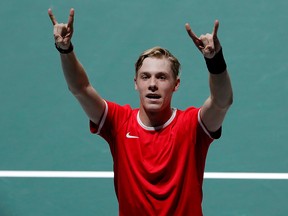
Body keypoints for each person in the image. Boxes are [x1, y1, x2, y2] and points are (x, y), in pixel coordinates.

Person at [48, 8, 233, 216]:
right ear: (136, 83)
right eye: (145, 77)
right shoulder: (118, 122)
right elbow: (80, 88)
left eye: (162, 77)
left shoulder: (191, 126)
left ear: (176, 84)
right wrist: (65, 50)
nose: (152, 84)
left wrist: (215, 60)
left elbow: (222, 101)